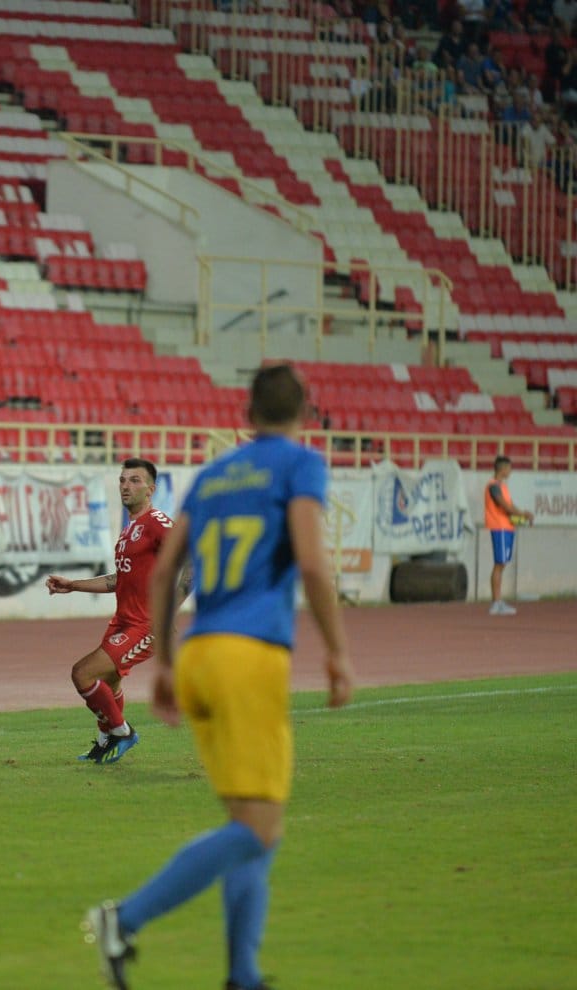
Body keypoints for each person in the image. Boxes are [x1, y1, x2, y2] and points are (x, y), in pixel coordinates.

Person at [85, 364, 354, 990]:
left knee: (250, 826)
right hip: (250, 657)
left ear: (246, 414)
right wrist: (338, 651)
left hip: (203, 653)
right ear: (305, 414)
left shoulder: (212, 476)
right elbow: (312, 562)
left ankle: (242, 976)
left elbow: (166, 573)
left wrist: (170, 664)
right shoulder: (299, 464)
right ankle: (124, 917)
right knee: (260, 828)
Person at [47, 458, 179, 764]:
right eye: (122, 480)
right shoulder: (130, 531)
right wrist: (73, 585)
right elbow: (119, 580)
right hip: (123, 621)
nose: (126, 486)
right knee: (109, 683)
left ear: (151, 489)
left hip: (146, 625)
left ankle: (122, 731)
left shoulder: (158, 523)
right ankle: (108, 738)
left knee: (82, 674)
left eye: (135, 480)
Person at [484, 455, 533, 616]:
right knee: (500, 564)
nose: (510, 471)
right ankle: (496, 603)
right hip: (500, 528)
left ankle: (498, 601)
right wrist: (522, 514)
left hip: (506, 527)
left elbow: (510, 506)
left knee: (502, 564)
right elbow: (504, 506)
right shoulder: (493, 486)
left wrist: (520, 516)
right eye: (509, 468)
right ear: (503, 469)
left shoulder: (502, 487)